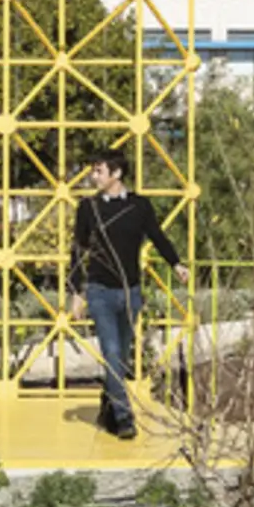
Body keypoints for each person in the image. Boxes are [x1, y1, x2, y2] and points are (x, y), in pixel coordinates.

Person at [69, 148, 188, 440]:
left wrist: (176, 263)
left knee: (120, 358)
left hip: (130, 291)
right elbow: (77, 250)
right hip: (99, 292)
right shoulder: (88, 208)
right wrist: (76, 292)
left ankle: (109, 401)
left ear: (116, 173)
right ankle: (124, 418)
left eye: (98, 171)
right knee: (110, 352)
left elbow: (157, 236)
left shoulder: (139, 206)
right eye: (93, 171)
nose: (93, 176)